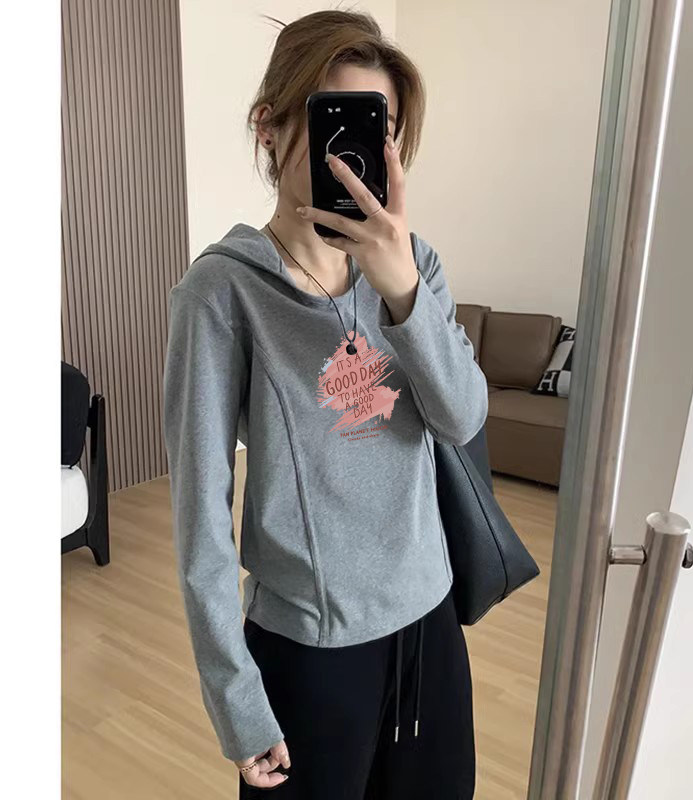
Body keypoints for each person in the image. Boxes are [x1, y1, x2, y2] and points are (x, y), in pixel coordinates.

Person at [163, 9, 487, 798]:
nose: (356, 156)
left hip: (429, 626)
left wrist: (401, 290)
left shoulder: (416, 266)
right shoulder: (221, 292)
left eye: (379, 131)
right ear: (269, 127)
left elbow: (462, 418)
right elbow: (201, 513)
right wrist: (235, 697)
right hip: (310, 652)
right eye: (333, 124)